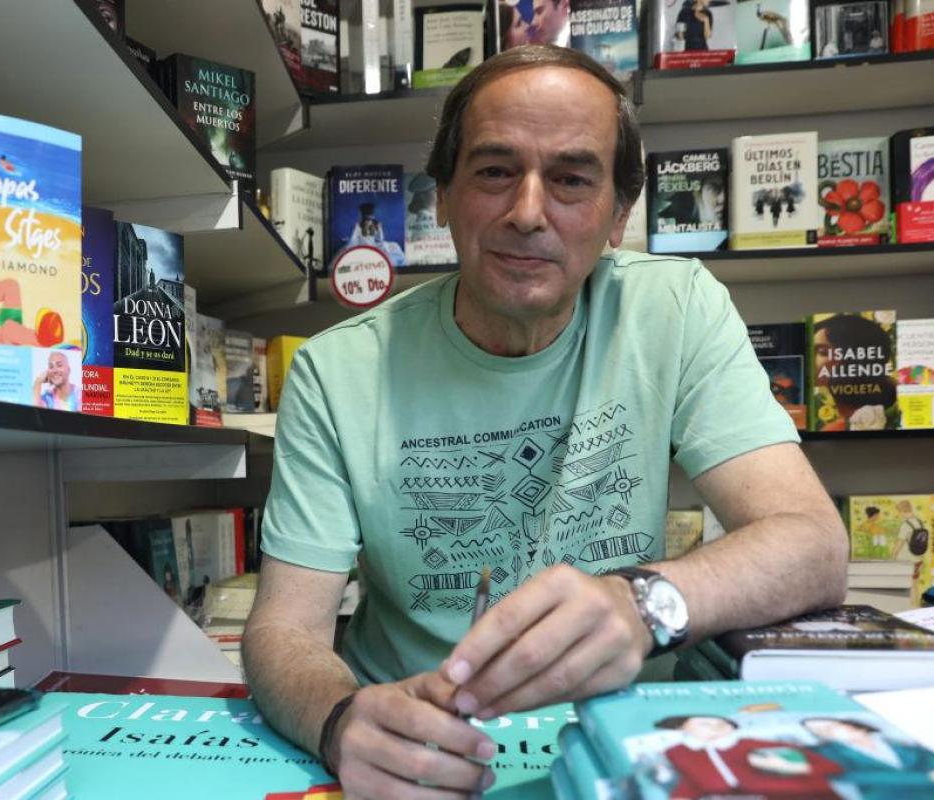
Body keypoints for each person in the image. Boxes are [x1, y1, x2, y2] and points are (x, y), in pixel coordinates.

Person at [243, 45, 847, 799]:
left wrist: (641, 603)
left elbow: (813, 544)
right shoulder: (335, 371)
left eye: (571, 179)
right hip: (417, 757)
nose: (528, 213)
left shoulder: (678, 307)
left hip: (624, 741)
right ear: (443, 196)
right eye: (495, 171)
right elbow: (284, 629)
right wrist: (341, 724)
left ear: (619, 215)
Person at [655, 715, 843, 799]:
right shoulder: (678, 751)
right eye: (705, 723)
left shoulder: (751, 744)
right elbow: (692, 780)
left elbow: (830, 766)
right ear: (682, 727)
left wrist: (791, 767)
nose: (716, 727)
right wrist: (682, 796)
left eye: (722, 723)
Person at [802, 717, 934, 799]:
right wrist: (926, 778)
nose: (823, 732)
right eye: (817, 731)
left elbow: (931, 758)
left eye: (828, 727)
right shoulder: (828, 751)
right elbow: (845, 775)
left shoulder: (900, 744)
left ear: (848, 724)